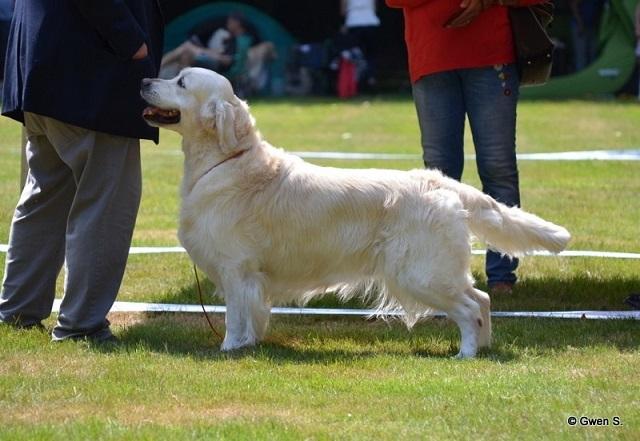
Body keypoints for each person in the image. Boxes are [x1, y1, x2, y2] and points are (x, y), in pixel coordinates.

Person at [0, 0, 164, 341]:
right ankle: (81, 324)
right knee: (105, 205)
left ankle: (18, 310)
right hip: (90, 74)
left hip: (43, 66)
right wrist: (131, 40)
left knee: (45, 197)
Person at [386, 0, 545, 294]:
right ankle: (441, 273)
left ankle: (501, 276)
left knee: (498, 168)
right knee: (438, 176)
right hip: (432, 60)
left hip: (490, 58)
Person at [341, 0, 381, 88]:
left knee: (355, 55)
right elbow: (374, 7)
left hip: (354, 22)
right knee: (371, 54)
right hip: (371, 22)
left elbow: (343, 10)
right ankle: (371, 77)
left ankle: (356, 81)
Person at [568, 0, 604, 71]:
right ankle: (580, 78)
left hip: (591, 26)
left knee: (593, 53)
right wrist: (580, 23)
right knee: (581, 56)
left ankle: (591, 75)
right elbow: (573, 4)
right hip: (580, 26)